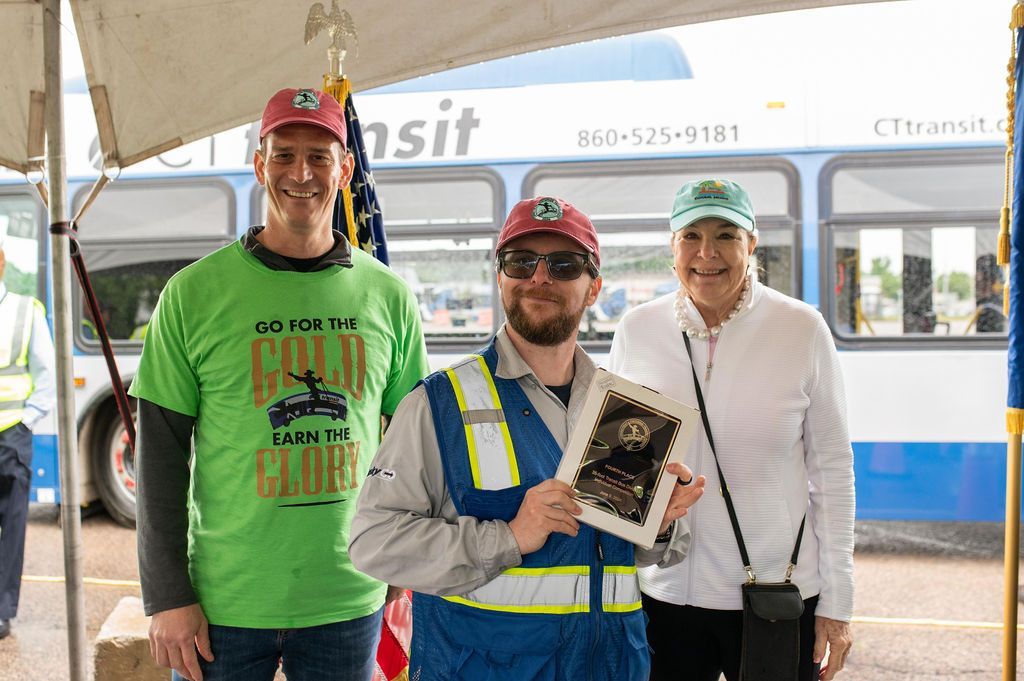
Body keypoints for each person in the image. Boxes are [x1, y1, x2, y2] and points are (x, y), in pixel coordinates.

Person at [129, 87, 429, 681]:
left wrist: (403, 553)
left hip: (349, 592)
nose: (301, 173)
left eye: (319, 157)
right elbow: (160, 458)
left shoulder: (389, 297)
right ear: (259, 164)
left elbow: (412, 444)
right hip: (223, 601)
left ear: (346, 169)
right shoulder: (192, 295)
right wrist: (166, 595)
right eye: (284, 154)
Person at [349, 196, 706, 681]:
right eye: (521, 262)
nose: (540, 277)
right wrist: (510, 536)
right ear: (500, 278)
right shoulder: (439, 404)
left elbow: (641, 556)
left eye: (564, 265)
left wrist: (657, 524)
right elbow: (372, 542)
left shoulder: (626, 411)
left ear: (594, 288)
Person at [608, 179, 855, 681]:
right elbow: (619, 461)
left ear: (752, 244)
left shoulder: (802, 328)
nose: (707, 253)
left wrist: (838, 601)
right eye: (691, 236)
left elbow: (832, 471)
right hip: (664, 594)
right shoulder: (638, 329)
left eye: (725, 235)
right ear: (672, 246)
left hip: (776, 595)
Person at [0, 241, 56, 640]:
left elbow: (46, 375)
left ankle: (2, 611)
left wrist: (25, 423)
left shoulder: (24, 311)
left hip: (10, 436)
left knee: (12, 526)